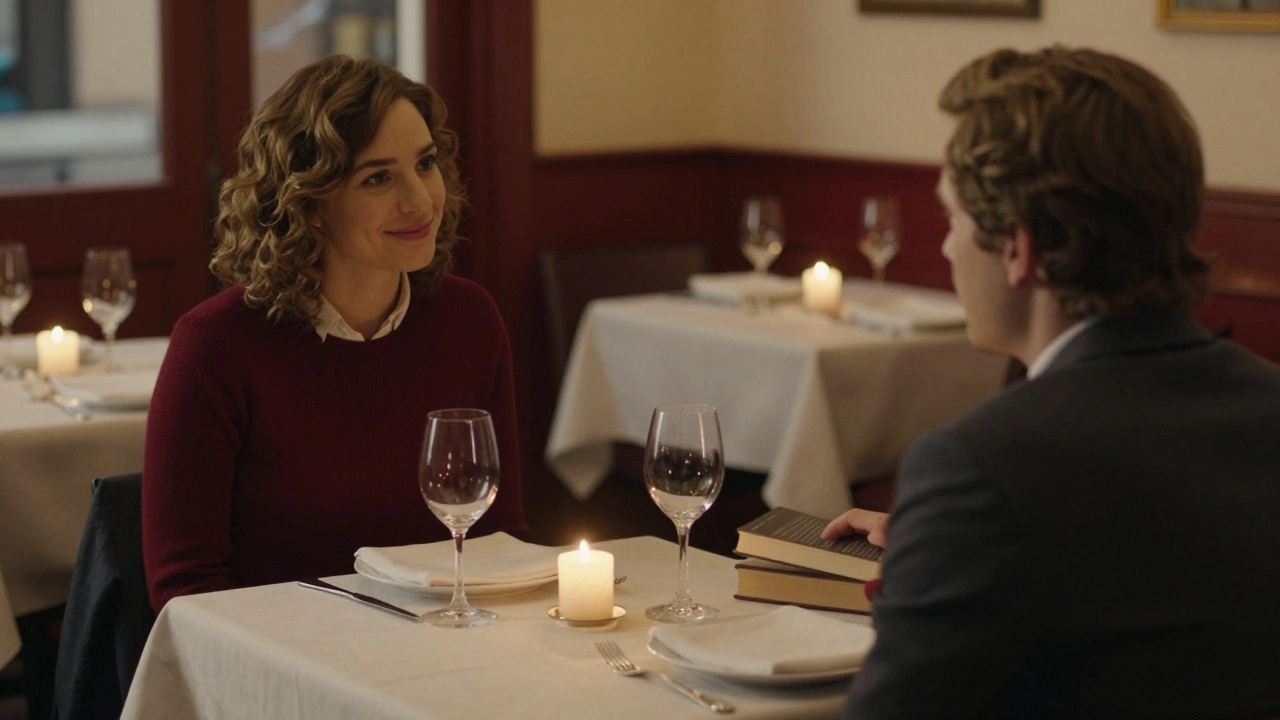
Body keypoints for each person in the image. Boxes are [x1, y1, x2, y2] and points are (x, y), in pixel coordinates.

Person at [824, 46, 1280, 719]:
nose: (946, 247)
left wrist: (966, 534)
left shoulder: (981, 467)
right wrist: (950, 545)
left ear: (1018, 248)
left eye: (952, 219)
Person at [142, 56, 526, 611]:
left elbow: (499, 541)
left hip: (442, 645)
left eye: (425, 164)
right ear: (309, 202)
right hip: (277, 651)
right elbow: (186, 589)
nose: (420, 201)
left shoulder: (470, 320)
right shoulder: (216, 346)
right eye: (378, 178)